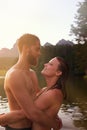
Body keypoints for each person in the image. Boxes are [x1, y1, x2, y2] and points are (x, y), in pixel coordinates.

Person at [0, 34, 60, 130]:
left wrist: (52, 110)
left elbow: (37, 96)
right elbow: (32, 113)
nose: (39, 53)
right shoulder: (14, 75)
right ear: (26, 48)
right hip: (17, 128)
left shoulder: (32, 73)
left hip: (32, 126)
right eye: (37, 49)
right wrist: (54, 124)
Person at [0, 56, 69, 130]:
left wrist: (3, 119)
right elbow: (45, 108)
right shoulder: (45, 90)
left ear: (58, 72)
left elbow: (25, 113)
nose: (45, 64)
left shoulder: (53, 93)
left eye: (50, 64)